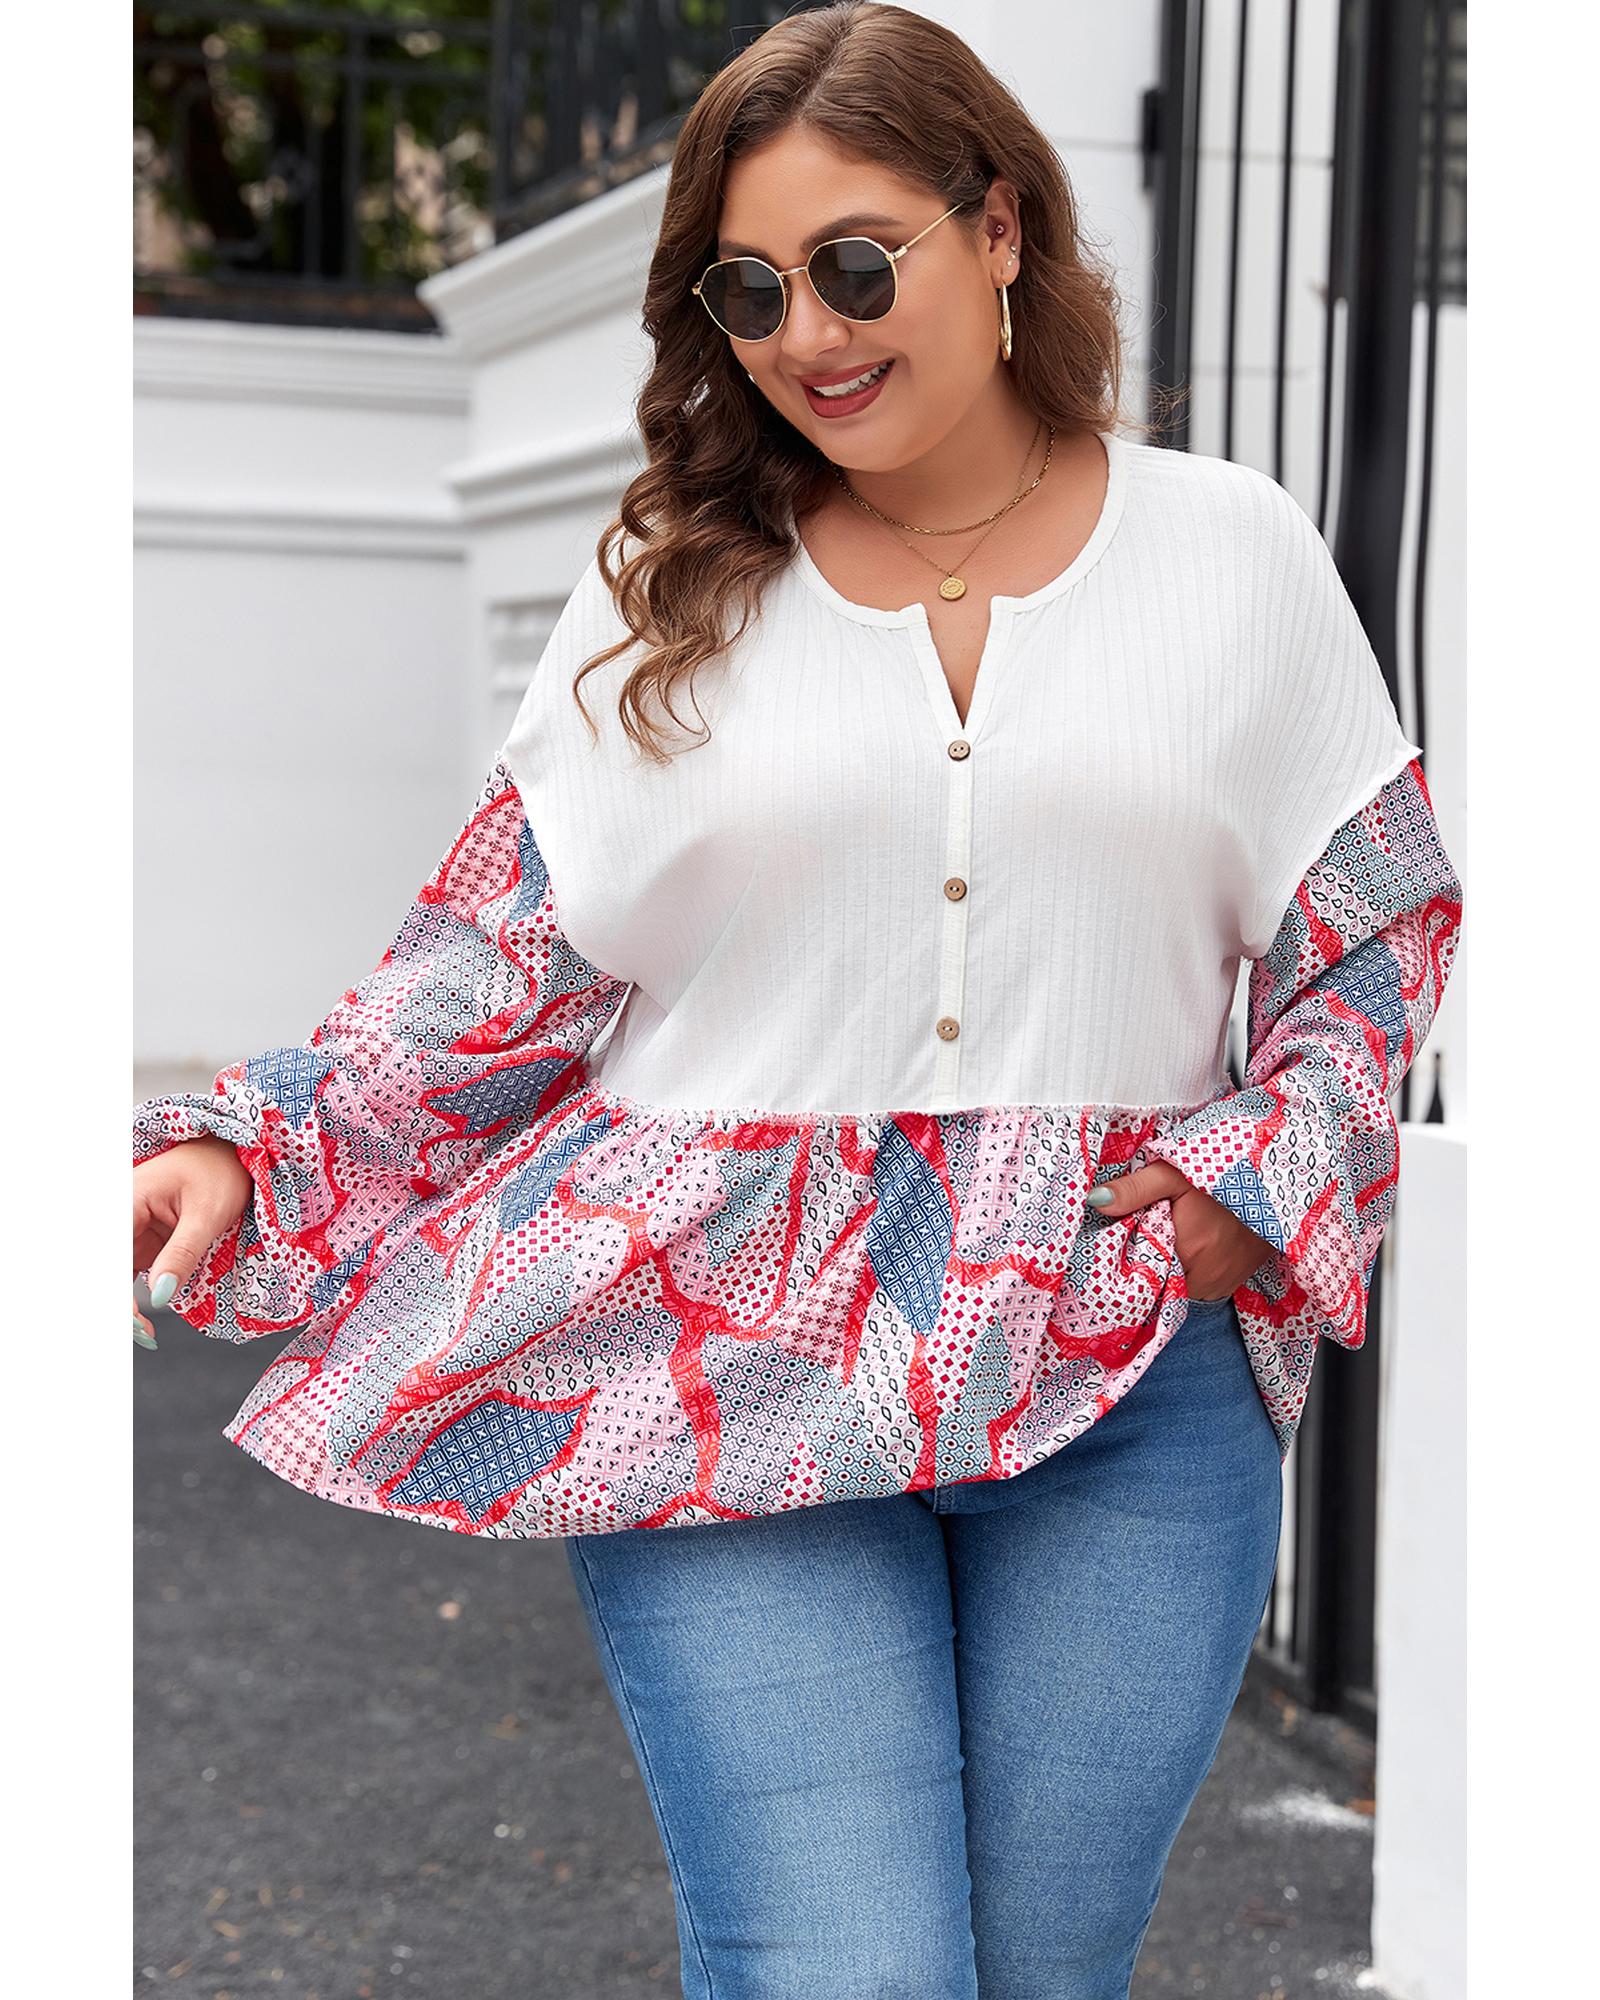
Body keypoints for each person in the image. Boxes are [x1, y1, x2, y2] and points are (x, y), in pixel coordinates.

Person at [130, 6, 1463, 1995]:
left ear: (997, 228)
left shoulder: (1234, 556)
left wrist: (1247, 1182)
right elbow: (487, 974)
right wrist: (251, 1146)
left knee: (1042, 1974)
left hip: (1122, 1358)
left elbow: (1372, 938)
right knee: (844, 1966)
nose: (805, 334)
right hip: (714, 1343)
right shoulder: (673, 586)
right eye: (747, 291)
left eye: (853, 264)